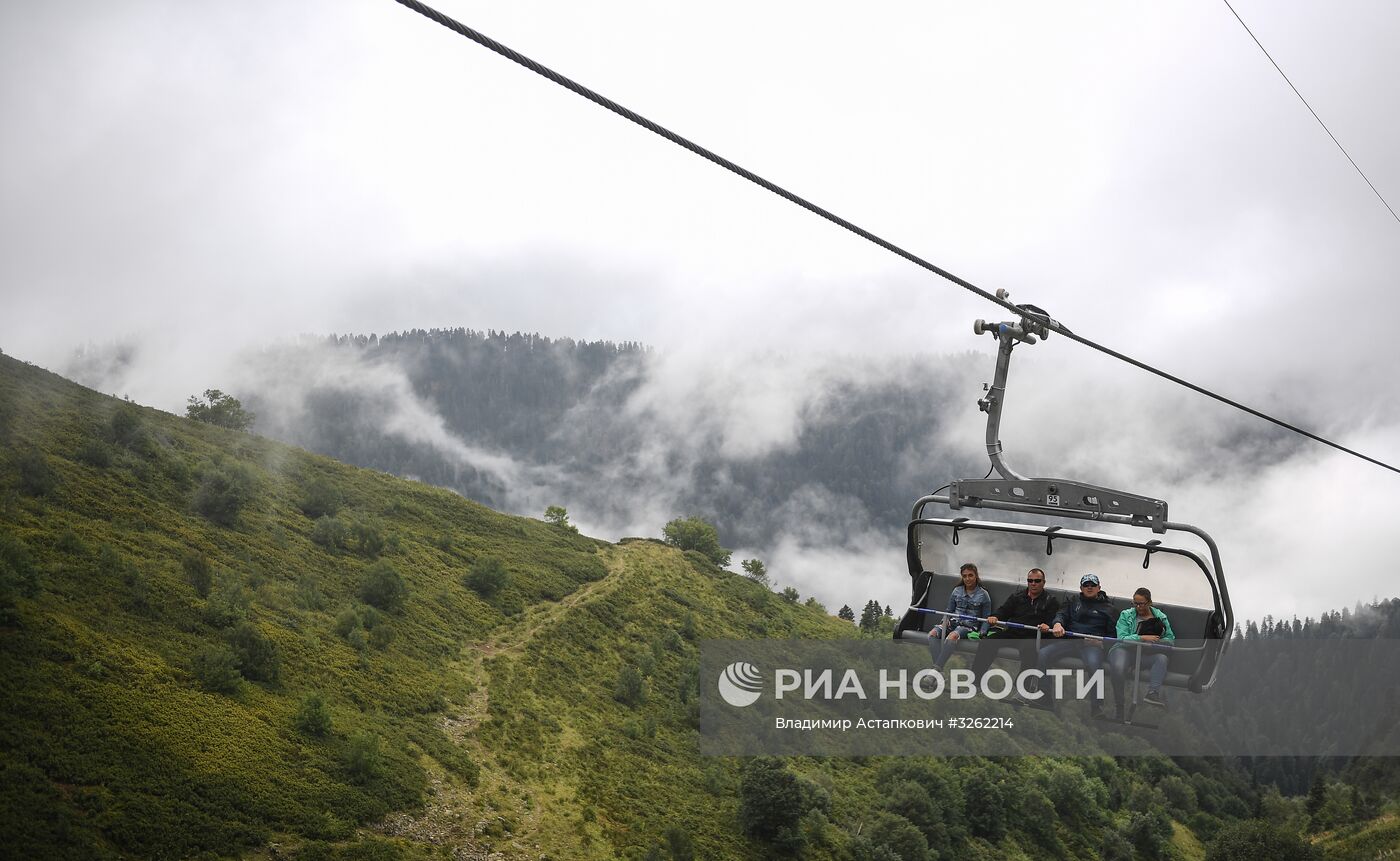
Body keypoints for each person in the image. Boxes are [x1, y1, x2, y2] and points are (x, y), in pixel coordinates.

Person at [1037, 573, 1117, 717]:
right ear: (1081, 588)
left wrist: (1102, 643)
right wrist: (1057, 624)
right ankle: (1044, 697)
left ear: (1099, 587)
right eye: (1086, 585)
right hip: (1070, 640)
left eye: (1093, 585)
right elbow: (1061, 614)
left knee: (1094, 665)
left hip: (1091, 645)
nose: (1089, 588)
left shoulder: (1109, 608)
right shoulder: (1073, 601)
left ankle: (1097, 706)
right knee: (1043, 654)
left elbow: (1113, 634)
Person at [970, 567, 1059, 686]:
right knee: (987, 643)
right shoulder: (1017, 597)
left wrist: (1047, 626)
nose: (1033, 584)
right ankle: (976, 681)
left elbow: (1053, 621)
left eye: (1037, 581)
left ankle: (1022, 686)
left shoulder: (1050, 601)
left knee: (1029, 651)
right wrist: (995, 617)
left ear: (1043, 582)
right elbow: (1004, 611)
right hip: (1013, 633)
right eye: (1030, 581)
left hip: (1031, 636)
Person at [1108, 587, 1176, 717]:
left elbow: (1170, 639)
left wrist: (1156, 642)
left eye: (1141, 603)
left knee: (1161, 658)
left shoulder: (1160, 617)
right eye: (1135, 603)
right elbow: (1122, 638)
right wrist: (1141, 638)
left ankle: (1152, 693)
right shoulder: (1126, 615)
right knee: (1118, 668)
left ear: (1149, 602)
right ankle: (1119, 705)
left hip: (1145, 654)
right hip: (1124, 650)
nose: (1138, 607)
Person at [928, 563, 991, 669]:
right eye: (964, 576)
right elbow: (949, 610)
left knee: (952, 636)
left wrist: (982, 633)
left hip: (968, 626)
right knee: (932, 634)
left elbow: (986, 617)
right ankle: (938, 669)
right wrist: (945, 620)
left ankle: (936, 669)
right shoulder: (957, 591)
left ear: (976, 576)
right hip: (952, 622)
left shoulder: (983, 595)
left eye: (970, 575)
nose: (967, 579)